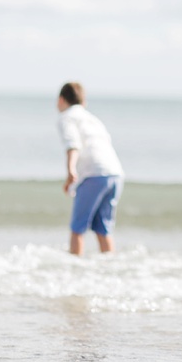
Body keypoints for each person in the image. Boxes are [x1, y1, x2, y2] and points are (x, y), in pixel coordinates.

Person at [56, 82, 124, 256]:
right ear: (83, 102)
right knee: (103, 229)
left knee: (77, 229)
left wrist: (71, 171)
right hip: (115, 173)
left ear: (61, 100)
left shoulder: (67, 117)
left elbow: (73, 144)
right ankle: (109, 269)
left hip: (94, 174)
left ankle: (75, 270)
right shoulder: (93, 119)